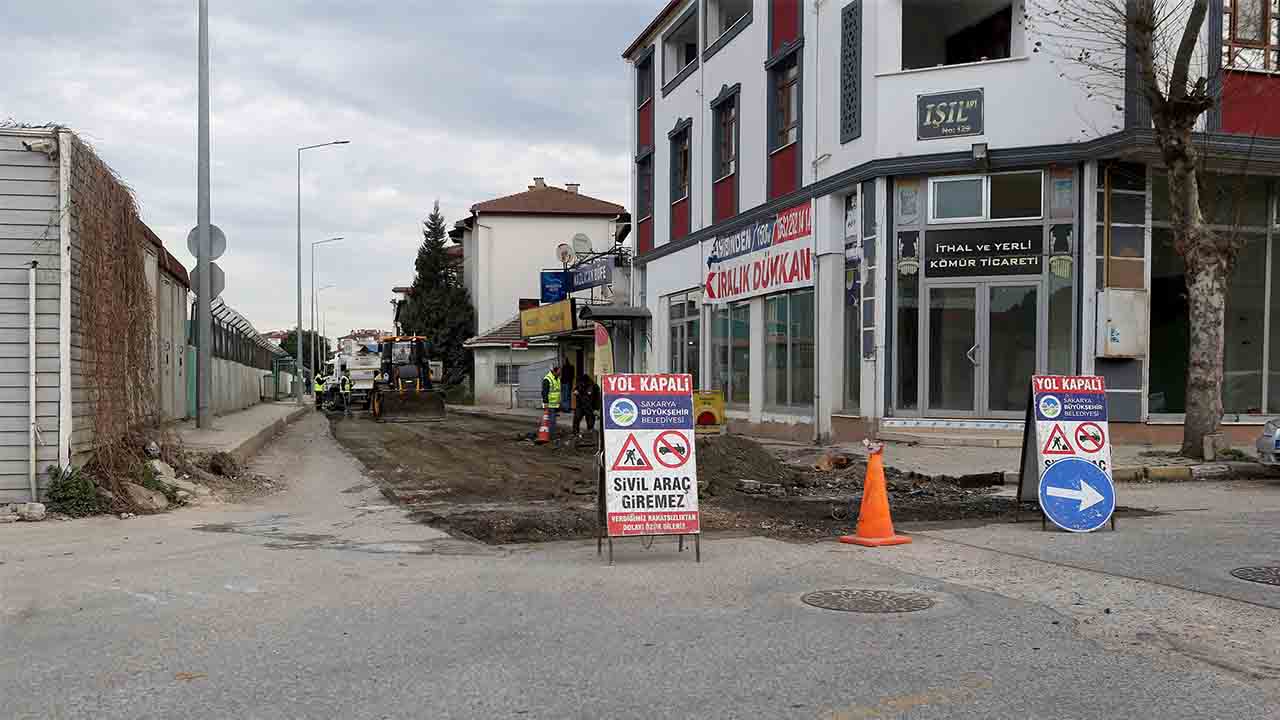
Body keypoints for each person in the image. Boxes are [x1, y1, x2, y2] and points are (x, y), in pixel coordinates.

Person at [541, 364, 562, 444]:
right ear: (554, 371)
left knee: (553, 420)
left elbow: (557, 392)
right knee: (552, 421)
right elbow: (544, 392)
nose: (560, 372)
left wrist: (559, 403)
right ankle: (551, 436)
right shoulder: (547, 379)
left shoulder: (557, 379)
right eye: (559, 371)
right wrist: (545, 402)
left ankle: (551, 434)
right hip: (550, 404)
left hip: (555, 404)